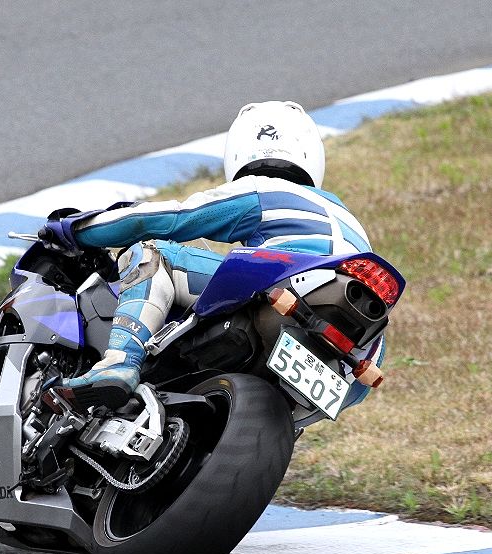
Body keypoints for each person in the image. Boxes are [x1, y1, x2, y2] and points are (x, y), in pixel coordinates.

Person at [40, 100, 379, 411]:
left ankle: (119, 364)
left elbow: (171, 218)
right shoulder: (351, 223)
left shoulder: (264, 188)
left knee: (154, 253)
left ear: (238, 151)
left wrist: (75, 230)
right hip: (354, 355)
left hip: (283, 290)